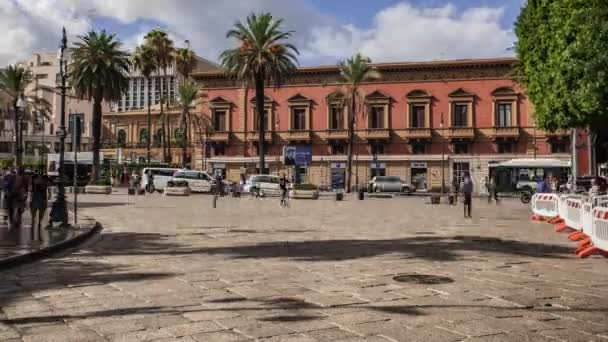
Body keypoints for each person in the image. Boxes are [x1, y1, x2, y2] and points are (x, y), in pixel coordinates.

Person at [30, 173, 49, 238]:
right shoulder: (43, 184)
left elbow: (31, 192)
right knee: (40, 214)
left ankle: (35, 223)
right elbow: (45, 194)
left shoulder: (34, 183)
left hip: (35, 200)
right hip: (40, 201)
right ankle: (38, 223)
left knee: (34, 215)